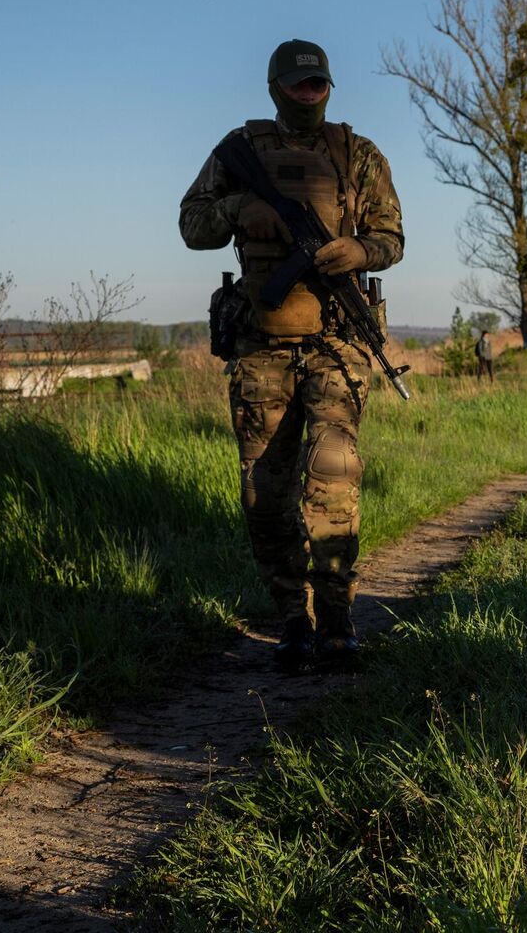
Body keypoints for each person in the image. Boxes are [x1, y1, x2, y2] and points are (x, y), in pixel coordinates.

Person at [179, 39, 405, 670]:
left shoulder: (357, 154)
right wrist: (240, 210)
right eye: (300, 85)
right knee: (264, 492)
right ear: (277, 87)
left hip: (337, 342)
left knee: (334, 477)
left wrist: (359, 253)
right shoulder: (240, 151)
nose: (311, 94)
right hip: (260, 347)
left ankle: (336, 620)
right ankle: (291, 619)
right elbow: (192, 226)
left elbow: (392, 236)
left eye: (320, 85)